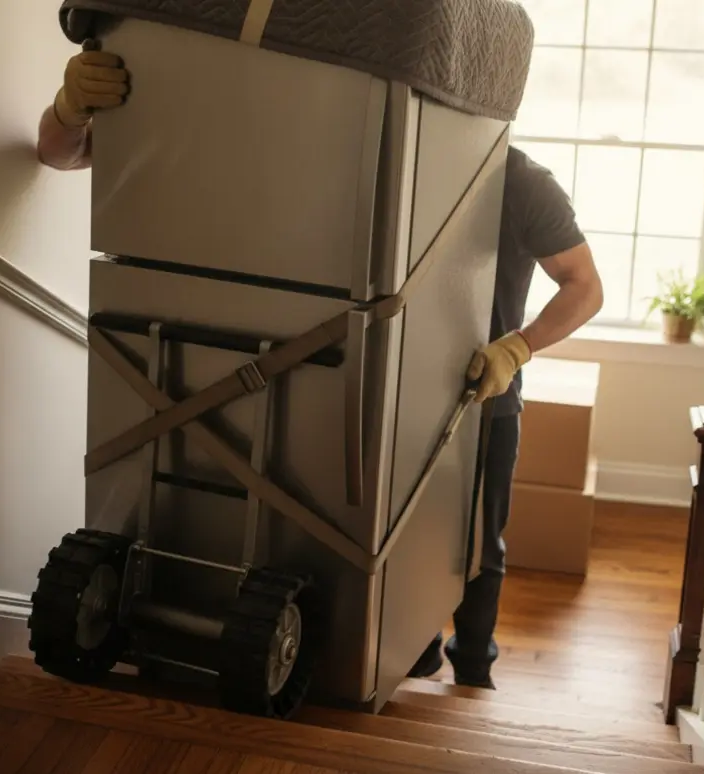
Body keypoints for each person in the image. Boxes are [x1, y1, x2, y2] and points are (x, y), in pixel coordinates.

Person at [37, 49, 605, 689]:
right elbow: (58, 153)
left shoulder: (520, 181)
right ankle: (405, 656)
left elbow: (585, 286)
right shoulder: (349, 144)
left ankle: (473, 675)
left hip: (478, 397)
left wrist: (517, 348)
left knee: (475, 542)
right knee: (379, 538)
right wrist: (69, 110)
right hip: (368, 388)